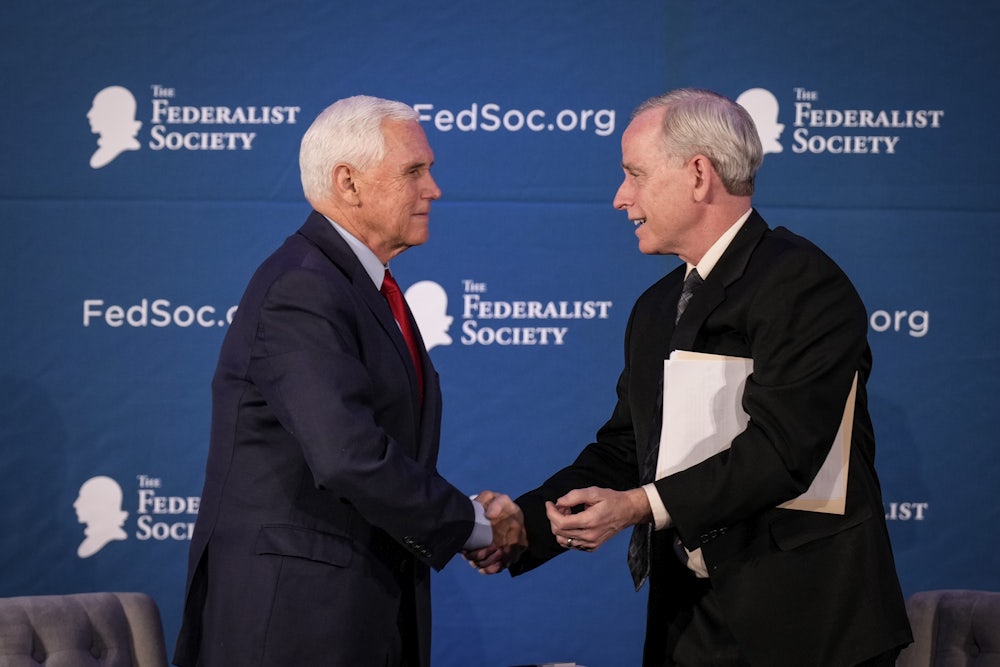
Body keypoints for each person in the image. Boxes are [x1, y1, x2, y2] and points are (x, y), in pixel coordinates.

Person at [469, 89, 912, 666]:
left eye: (634, 174)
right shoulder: (656, 308)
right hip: (693, 625)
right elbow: (630, 448)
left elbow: (783, 451)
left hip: (806, 628)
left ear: (699, 174)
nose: (619, 197)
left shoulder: (803, 285)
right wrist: (526, 522)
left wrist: (637, 506)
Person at [173, 95, 524, 667]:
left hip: (352, 612)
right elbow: (348, 455)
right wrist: (475, 524)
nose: (433, 189)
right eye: (414, 171)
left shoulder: (362, 287)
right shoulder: (303, 287)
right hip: (294, 627)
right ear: (349, 182)